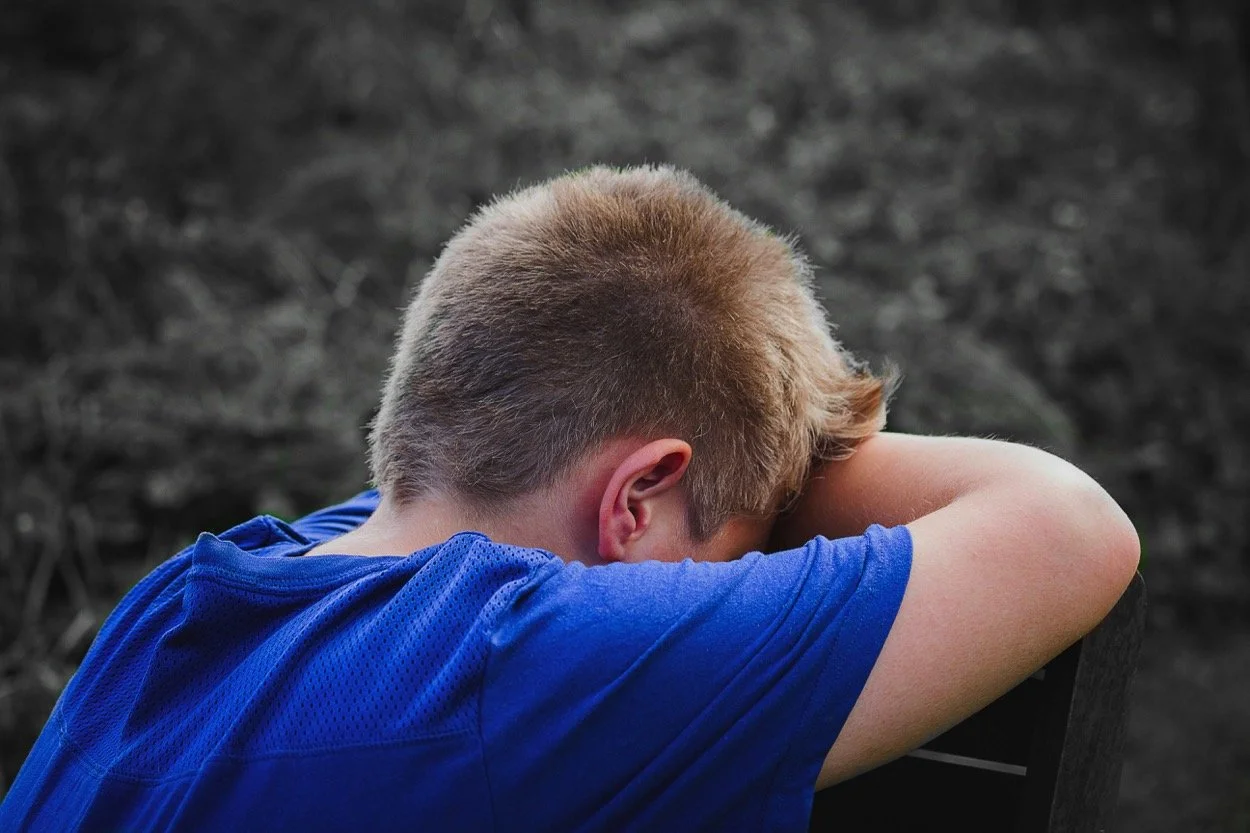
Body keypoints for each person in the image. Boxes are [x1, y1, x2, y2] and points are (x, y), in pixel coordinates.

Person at [0, 166, 1139, 832]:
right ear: (637, 497)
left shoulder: (179, 603)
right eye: (734, 555)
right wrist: (798, 448)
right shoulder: (523, 660)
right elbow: (1068, 527)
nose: (727, 590)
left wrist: (750, 457)